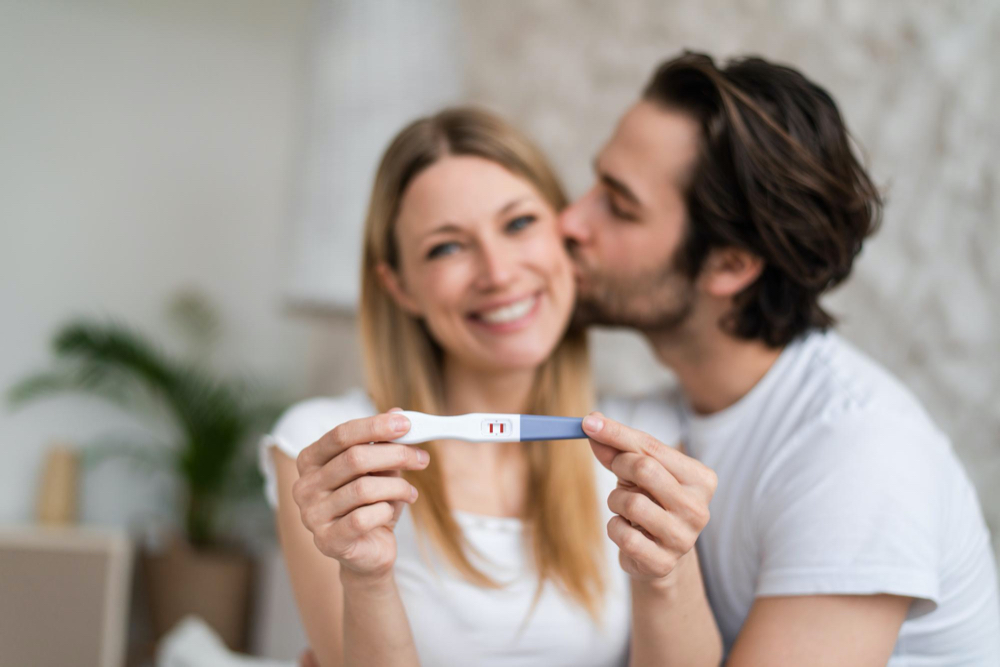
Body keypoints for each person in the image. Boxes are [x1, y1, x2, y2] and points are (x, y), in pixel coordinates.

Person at [562, 51, 1000, 665]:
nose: (570, 221)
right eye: (595, 184)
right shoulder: (671, 413)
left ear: (731, 265)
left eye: (619, 203)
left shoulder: (859, 455)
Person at [260, 107, 721, 667]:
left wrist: (670, 571)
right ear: (400, 286)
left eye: (519, 223)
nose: (498, 272)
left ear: (565, 235)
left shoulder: (647, 449)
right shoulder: (327, 453)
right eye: (446, 247)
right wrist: (368, 579)